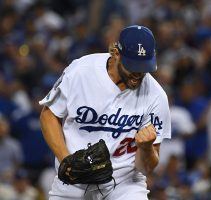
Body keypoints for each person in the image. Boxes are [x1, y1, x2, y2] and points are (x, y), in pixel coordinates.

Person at [39, 25, 171, 200]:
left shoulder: (155, 96)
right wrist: (66, 160)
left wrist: (146, 148)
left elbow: (146, 168)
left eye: (143, 67)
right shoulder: (81, 71)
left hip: (124, 185)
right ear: (116, 53)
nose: (138, 74)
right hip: (74, 179)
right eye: (133, 66)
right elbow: (49, 114)